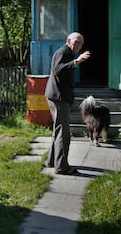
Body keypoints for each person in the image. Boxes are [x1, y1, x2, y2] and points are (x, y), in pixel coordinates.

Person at [44, 32, 90, 175]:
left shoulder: (67, 53)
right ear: (68, 41)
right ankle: (62, 167)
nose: (78, 45)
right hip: (59, 98)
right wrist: (77, 61)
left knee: (58, 130)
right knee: (63, 133)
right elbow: (58, 70)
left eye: (80, 43)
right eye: (76, 42)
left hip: (58, 96)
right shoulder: (63, 52)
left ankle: (52, 161)